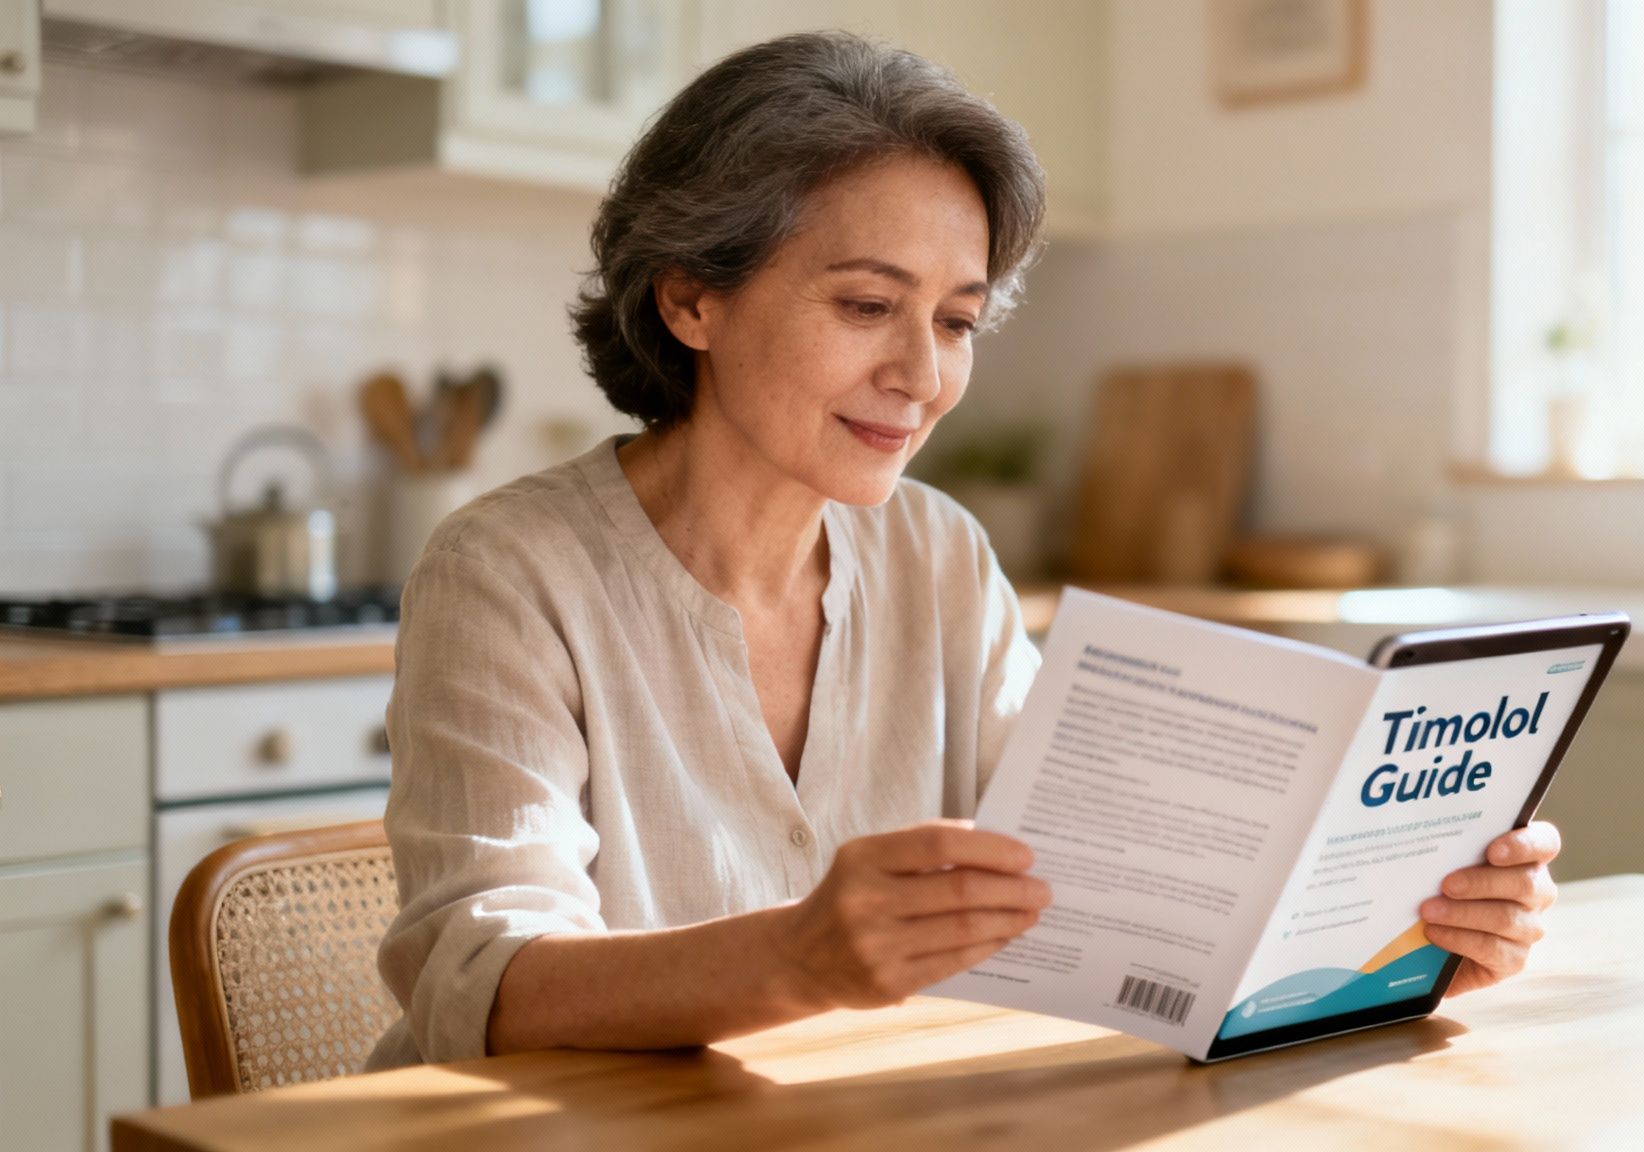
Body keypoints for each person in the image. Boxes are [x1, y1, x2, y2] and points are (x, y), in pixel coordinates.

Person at [367, 30, 1563, 1071]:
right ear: (692, 301)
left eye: (954, 321)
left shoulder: (935, 554)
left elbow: (1097, 903)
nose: (924, 377)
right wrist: (795, 956)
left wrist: (1393, 948)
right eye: (864, 306)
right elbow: (481, 982)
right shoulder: (508, 571)